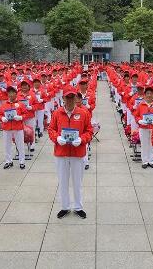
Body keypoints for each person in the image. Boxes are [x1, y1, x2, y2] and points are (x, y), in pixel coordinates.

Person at [48, 86, 92, 219]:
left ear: (76, 98)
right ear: (63, 98)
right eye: (68, 97)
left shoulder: (83, 113)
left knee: (77, 181)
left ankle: (78, 206)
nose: (70, 100)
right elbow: (51, 129)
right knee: (63, 181)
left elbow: (89, 131)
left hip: (77, 152)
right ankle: (65, 206)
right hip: (61, 152)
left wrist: (82, 139)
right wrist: (57, 138)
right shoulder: (57, 113)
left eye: (72, 97)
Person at [134, 86, 153, 169]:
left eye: (151, 94)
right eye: (147, 93)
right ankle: (144, 161)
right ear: (144, 95)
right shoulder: (141, 105)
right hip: (143, 128)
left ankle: (151, 161)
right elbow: (136, 116)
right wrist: (139, 121)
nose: (149, 95)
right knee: (144, 145)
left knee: (152, 145)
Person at [0, 86, 27, 170]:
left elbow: (25, 114)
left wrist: (21, 117)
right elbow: (0, 114)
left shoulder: (20, 104)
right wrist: (2, 118)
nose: (11, 94)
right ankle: (8, 161)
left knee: (20, 145)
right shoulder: (4, 105)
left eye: (12, 92)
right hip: (7, 128)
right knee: (7, 145)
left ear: (16, 93)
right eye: (9, 93)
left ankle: (22, 161)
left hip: (18, 127)